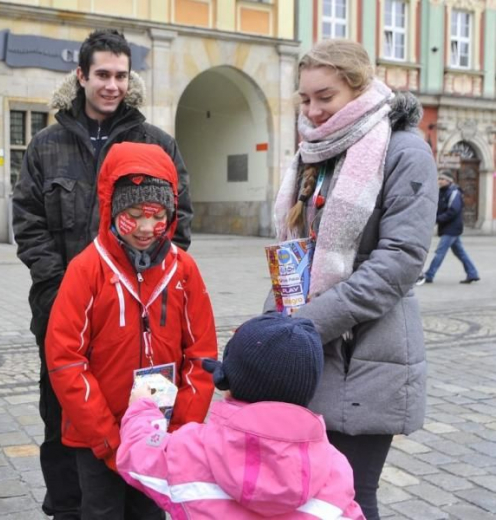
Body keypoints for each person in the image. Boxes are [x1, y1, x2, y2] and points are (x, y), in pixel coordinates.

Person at [12, 29, 193, 519]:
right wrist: (61, 292)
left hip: (140, 315)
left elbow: (180, 223)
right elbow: (27, 225)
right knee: (63, 418)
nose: (112, 85)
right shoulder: (46, 145)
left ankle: (140, 494)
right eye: (102, 75)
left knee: (143, 412)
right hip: (61, 313)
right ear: (81, 76)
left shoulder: (155, 143)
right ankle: (69, 508)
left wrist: (148, 285)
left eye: (120, 75)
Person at [265, 40, 437, 520]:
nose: (313, 110)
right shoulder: (313, 154)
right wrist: (266, 334)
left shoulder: (403, 150)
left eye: (326, 97)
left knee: (351, 499)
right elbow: (295, 257)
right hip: (310, 356)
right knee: (306, 495)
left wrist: (305, 325)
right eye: (305, 99)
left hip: (369, 354)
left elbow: (400, 261)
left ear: (359, 89)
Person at [44, 142, 216, 520]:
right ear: (111, 209)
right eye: (133, 214)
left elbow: (200, 354)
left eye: (156, 216)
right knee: (101, 511)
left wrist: (182, 428)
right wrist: (107, 438)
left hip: (160, 434)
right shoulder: (87, 269)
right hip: (97, 438)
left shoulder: (183, 271)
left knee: (150, 514)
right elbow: (65, 359)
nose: (144, 228)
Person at [117, 313, 365, 520]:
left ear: (227, 381)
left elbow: (136, 453)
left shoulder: (190, 450)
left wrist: (142, 406)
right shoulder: (335, 468)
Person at [416, 169, 480, 285]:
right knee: (460, 252)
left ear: (448, 181)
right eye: (439, 178)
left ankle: (429, 275)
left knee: (440, 252)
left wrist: (438, 219)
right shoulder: (443, 192)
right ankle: (472, 273)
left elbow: (453, 211)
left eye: (442, 179)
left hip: (452, 228)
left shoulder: (454, 192)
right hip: (448, 227)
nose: (439, 181)